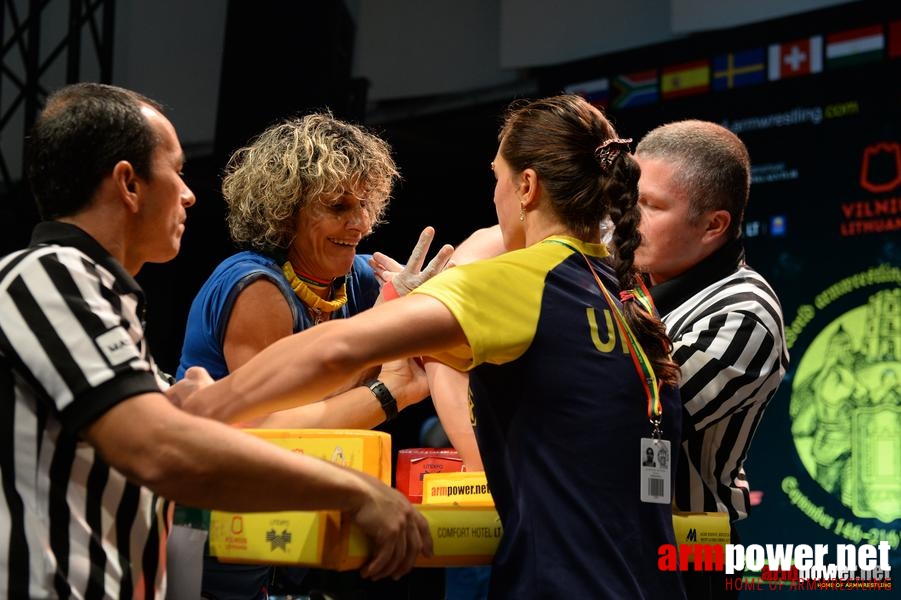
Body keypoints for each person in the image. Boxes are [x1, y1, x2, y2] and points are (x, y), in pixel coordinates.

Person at [173, 94, 686, 598]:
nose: (495, 197)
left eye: (496, 179)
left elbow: (333, 351)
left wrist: (205, 406)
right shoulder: (628, 292)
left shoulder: (518, 281)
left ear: (526, 187)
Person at [0, 82, 431, 599]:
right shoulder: (47, 279)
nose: (189, 192)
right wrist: (353, 488)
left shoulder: (101, 297)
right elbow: (162, 450)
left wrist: (180, 404)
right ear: (128, 185)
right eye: (177, 170)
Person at [176, 114, 452, 598]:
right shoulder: (255, 285)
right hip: (216, 533)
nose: (360, 223)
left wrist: (407, 310)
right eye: (340, 206)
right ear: (286, 212)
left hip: (290, 534)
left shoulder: (360, 279)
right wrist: (389, 393)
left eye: (365, 204)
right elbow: (272, 433)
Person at [633, 120, 789, 599]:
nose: (625, 218)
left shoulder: (746, 311)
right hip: (609, 543)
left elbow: (631, 415)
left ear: (714, 225)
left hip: (685, 559)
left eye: (650, 206)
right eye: (625, 198)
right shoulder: (619, 279)